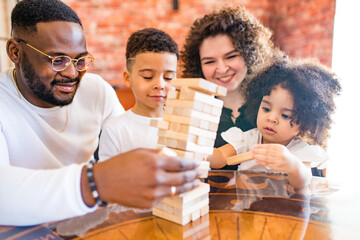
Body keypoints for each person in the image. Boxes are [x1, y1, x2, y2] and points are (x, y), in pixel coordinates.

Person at [0, 0, 201, 226]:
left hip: (84, 225)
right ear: (15, 52)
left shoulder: (95, 90)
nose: (71, 73)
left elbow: (126, 149)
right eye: (58, 60)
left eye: (80, 60)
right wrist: (96, 183)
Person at [207, 58, 341, 190]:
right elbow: (221, 157)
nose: (272, 118)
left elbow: (303, 181)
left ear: (305, 124)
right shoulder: (248, 139)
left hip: (281, 210)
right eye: (266, 109)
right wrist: (198, 152)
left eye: (285, 115)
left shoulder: (298, 152)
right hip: (246, 209)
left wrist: (292, 165)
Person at [180, 6, 277, 169]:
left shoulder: (272, 103)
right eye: (210, 61)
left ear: (249, 54)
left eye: (231, 57)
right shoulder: (193, 111)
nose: (222, 69)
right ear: (198, 66)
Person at [99, 28, 178, 160]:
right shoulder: (115, 129)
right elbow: (107, 177)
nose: (160, 84)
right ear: (128, 78)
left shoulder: (182, 125)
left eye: (169, 77)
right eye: (148, 76)